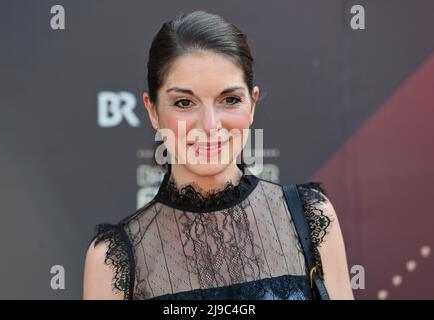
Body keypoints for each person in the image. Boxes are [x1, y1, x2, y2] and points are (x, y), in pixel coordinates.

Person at [83, 10, 354, 300]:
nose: (210, 125)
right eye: (184, 102)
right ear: (152, 110)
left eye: (230, 100)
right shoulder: (114, 260)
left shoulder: (310, 218)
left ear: (251, 104)